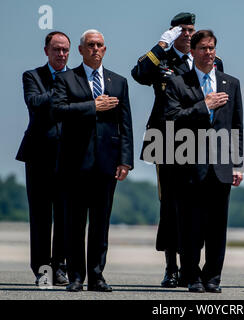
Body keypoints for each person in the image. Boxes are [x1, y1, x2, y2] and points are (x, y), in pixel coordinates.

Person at [131, 12, 223, 288]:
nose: (186, 33)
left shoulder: (211, 61)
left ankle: (191, 268)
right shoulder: (163, 60)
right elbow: (139, 74)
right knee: (171, 204)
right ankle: (172, 267)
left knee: (199, 206)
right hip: (167, 138)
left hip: (201, 142)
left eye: (190, 29)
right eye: (181, 30)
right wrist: (161, 46)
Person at [51, 29, 134, 292]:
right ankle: (76, 275)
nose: (95, 49)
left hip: (107, 163)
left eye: (99, 45)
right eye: (90, 45)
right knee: (75, 223)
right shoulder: (67, 79)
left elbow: (126, 124)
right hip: (74, 163)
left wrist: (125, 160)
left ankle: (97, 275)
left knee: (101, 223)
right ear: (81, 49)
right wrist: (92, 107)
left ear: (105, 50)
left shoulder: (118, 81)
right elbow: (58, 110)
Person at [164, 30, 244, 293]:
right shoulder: (178, 83)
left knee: (217, 227)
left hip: (221, 166)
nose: (208, 53)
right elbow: (172, 119)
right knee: (190, 225)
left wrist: (238, 164)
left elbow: (236, 126)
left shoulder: (230, 83)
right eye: (202, 48)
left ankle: (213, 277)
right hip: (187, 164)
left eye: (211, 48)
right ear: (192, 51)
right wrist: (205, 105)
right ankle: (191, 276)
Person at [16, 31, 70, 286]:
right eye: (56, 49)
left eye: (65, 50)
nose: (61, 54)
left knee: (64, 216)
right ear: (46, 51)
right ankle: (41, 268)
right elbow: (35, 102)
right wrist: (60, 87)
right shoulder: (33, 76)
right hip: (38, 155)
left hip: (69, 156)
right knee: (40, 216)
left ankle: (60, 266)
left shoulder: (77, 78)